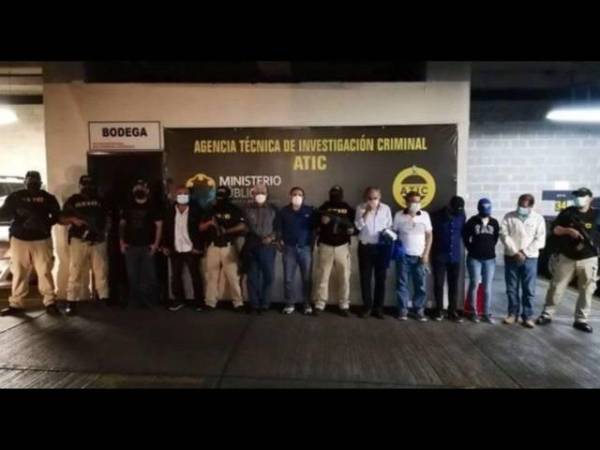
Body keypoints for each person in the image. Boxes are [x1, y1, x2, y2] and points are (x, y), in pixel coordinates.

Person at [536, 188, 599, 333]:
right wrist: (569, 231)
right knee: (556, 287)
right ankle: (547, 314)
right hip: (567, 257)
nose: (578, 199)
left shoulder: (596, 214)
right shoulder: (568, 212)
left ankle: (581, 320)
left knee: (587, 290)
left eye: (582, 196)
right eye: (576, 196)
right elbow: (555, 229)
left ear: (590, 198)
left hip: (588, 258)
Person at [0, 171, 61, 316]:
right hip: (20, 239)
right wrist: (19, 213)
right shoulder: (16, 196)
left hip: (41, 238)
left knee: (44, 271)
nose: (33, 183)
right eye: (31, 181)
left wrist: (43, 223)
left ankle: (50, 302)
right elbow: (3, 214)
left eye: (35, 181)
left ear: (40, 182)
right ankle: (16, 304)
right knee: (19, 272)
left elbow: (57, 216)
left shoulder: (48, 197)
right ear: (25, 182)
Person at [60, 175, 110, 316]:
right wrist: (73, 219)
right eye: (85, 184)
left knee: (101, 271)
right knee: (75, 271)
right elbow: (61, 218)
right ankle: (71, 302)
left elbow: (108, 218)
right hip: (79, 239)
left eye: (90, 185)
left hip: (98, 239)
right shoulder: (73, 200)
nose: (87, 187)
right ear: (80, 185)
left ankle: (103, 299)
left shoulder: (101, 200)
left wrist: (103, 233)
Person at [500, 194, 546, 328]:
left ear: (531, 206)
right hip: (511, 256)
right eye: (519, 205)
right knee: (511, 288)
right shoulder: (509, 216)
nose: (521, 208)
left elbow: (540, 240)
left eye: (524, 206)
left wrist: (524, 252)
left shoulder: (538, 219)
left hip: (530, 258)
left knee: (529, 289)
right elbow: (504, 235)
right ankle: (512, 314)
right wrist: (515, 252)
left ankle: (527, 316)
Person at [199, 185, 246, 311]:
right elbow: (201, 227)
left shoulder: (234, 209)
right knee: (211, 276)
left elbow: (242, 226)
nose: (220, 196)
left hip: (228, 247)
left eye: (223, 194)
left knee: (233, 277)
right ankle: (210, 302)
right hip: (213, 246)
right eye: (218, 194)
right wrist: (210, 223)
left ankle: (238, 303)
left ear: (228, 195)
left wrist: (227, 231)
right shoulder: (210, 209)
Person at [119, 178, 163, 308]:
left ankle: (150, 302)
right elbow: (122, 225)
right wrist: (121, 242)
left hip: (147, 246)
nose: (139, 190)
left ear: (147, 190)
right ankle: (134, 302)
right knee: (132, 276)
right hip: (130, 246)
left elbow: (159, 226)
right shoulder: (127, 205)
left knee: (149, 276)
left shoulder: (153, 206)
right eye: (137, 188)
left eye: (142, 187)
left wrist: (156, 244)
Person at [161, 185, 205, 312]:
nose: (182, 196)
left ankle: (199, 302)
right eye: (180, 193)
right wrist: (164, 245)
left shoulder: (196, 211)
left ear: (189, 195)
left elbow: (202, 231)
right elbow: (166, 230)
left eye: (185, 193)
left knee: (195, 276)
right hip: (175, 248)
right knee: (175, 277)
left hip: (191, 249)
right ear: (175, 196)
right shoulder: (170, 211)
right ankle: (178, 300)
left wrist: (198, 247)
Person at [314, 185, 356, 317]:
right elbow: (314, 224)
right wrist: (321, 222)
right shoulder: (324, 207)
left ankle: (344, 304)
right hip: (325, 245)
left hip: (342, 247)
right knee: (323, 276)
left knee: (344, 277)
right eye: (333, 193)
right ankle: (320, 303)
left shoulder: (347, 208)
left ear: (341, 194)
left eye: (337, 193)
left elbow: (355, 226)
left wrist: (351, 229)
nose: (335, 195)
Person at [393, 191, 433, 322]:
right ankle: (403, 310)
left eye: (418, 201)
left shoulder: (425, 216)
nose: (416, 204)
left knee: (420, 285)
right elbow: (394, 234)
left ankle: (419, 310)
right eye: (413, 201)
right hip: (403, 256)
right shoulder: (398, 215)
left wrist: (426, 254)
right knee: (401, 284)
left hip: (420, 257)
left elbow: (429, 236)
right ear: (406, 202)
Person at [354, 187, 393, 319]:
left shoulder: (386, 209)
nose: (372, 200)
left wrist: (386, 235)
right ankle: (367, 307)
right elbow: (358, 226)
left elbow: (390, 226)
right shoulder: (360, 208)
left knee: (381, 278)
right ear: (365, 198)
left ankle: (378, 308)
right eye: (370, 198)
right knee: (365, 277)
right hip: (365, 246)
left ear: (380, 197)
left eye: (375, 198)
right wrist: (367, 212)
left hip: (381, 247)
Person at [242, 183, 279, 314]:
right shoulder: (246, 208)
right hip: (252, 246)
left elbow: (278, 227)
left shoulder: (274, 209)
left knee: (269, 277)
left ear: (267, 194)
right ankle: (254, 304)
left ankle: (265, 304)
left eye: (262, 192)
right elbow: (244, 225)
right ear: (252, 194)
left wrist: (271, 237)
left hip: (267, 247)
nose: (260, 194)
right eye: (257, 192)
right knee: (252, 277)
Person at [278, 186, 316, 315]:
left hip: (305, 249)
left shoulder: (309, 211)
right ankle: (289, 304)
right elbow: (279, 228)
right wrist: (280, 240)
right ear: (290, 196)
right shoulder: (284, 211)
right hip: (289, 249)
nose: (297, 196)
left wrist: (311, 245)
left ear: (303, 197)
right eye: (294, 194)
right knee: (288, 279)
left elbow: (314, 229)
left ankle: (307, 304)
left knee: (306, 278)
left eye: (300, 194)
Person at [462, 198, 500, 323]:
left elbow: (495, 238)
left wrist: (488, 248)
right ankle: (473, 312)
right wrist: (472, 249)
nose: (486, 212)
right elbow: (465, 238)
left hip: (490, 259)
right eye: (484, 209)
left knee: (487, 287)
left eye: (488, 210)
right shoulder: (471, 221)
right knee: (474, 284)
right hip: (474, 259)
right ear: (479, 208)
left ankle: (486, 313)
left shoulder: (494, 222)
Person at [430, 196, 466, 322]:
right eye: (456, 209)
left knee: (453, 285)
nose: (458, 211)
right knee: (438, 284)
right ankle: (439, 310)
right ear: (450, 206)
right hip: (439, 255)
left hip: (455, 256)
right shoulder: (437, 216)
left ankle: (452, 311)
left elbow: (462, 232)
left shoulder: (462, 215)